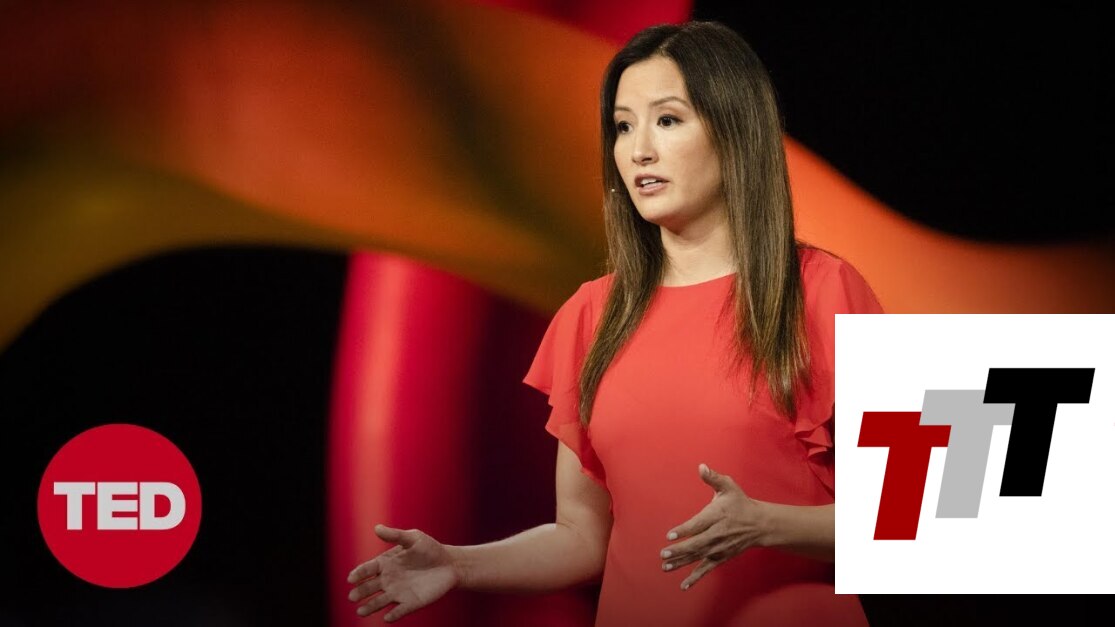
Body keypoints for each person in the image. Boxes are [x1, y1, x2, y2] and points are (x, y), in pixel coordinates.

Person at [347, 20, 882, 626]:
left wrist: (766, 524)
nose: (638, 150)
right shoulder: (591, 314)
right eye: (623, 126)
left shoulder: (828, 289)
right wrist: (457, 563)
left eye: (668, 120)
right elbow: (580, 536)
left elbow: (930, 514)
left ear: (735, 130)